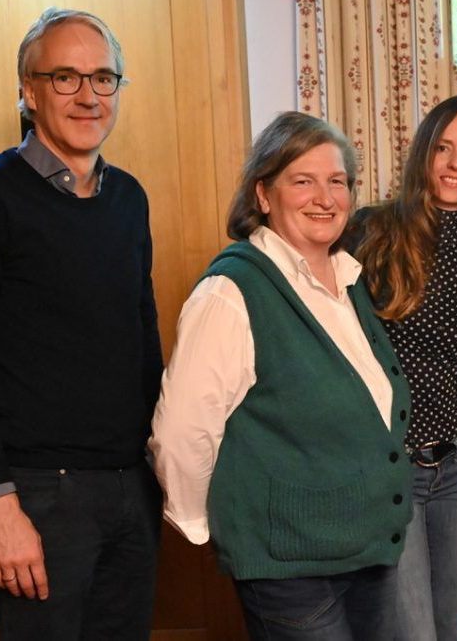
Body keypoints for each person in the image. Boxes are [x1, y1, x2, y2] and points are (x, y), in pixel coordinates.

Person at [0, 8, 163, 639]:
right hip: (37, 496)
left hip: (132, 489)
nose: (89, 96)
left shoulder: (129, 198)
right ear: (29, 92)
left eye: (103, 77)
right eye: (65, 77)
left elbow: (143, 340)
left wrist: (164, 470)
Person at [149, 111, 413, 640]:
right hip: (290, 569)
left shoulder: (350, 281)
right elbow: (181, 432)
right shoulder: (231, 292)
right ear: (263, 194)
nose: (325, 197)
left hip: (368, 552)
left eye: (337, 181)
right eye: (303, 181)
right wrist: (211, 527)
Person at [347, 94, 457, 641]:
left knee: (446, 628)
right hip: (394, 468)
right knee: (413, 635)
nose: (456, 164)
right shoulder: (371, 232)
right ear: (423, 154)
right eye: (443, 148)